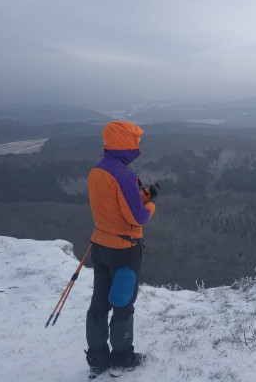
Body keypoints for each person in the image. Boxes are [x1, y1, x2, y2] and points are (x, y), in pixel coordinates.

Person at [84, 121, 159, 377]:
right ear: (126, 143)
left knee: (99, 302)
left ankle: (96, 358)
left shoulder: (97, 170)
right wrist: (150, 206)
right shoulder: (123, 174)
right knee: (123, 303)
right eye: (135, 141)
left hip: (100, 246)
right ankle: (122, 357)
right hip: (124, 249)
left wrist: (144, 194)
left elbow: (113, 206)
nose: (138, 146)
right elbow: (137, 217)